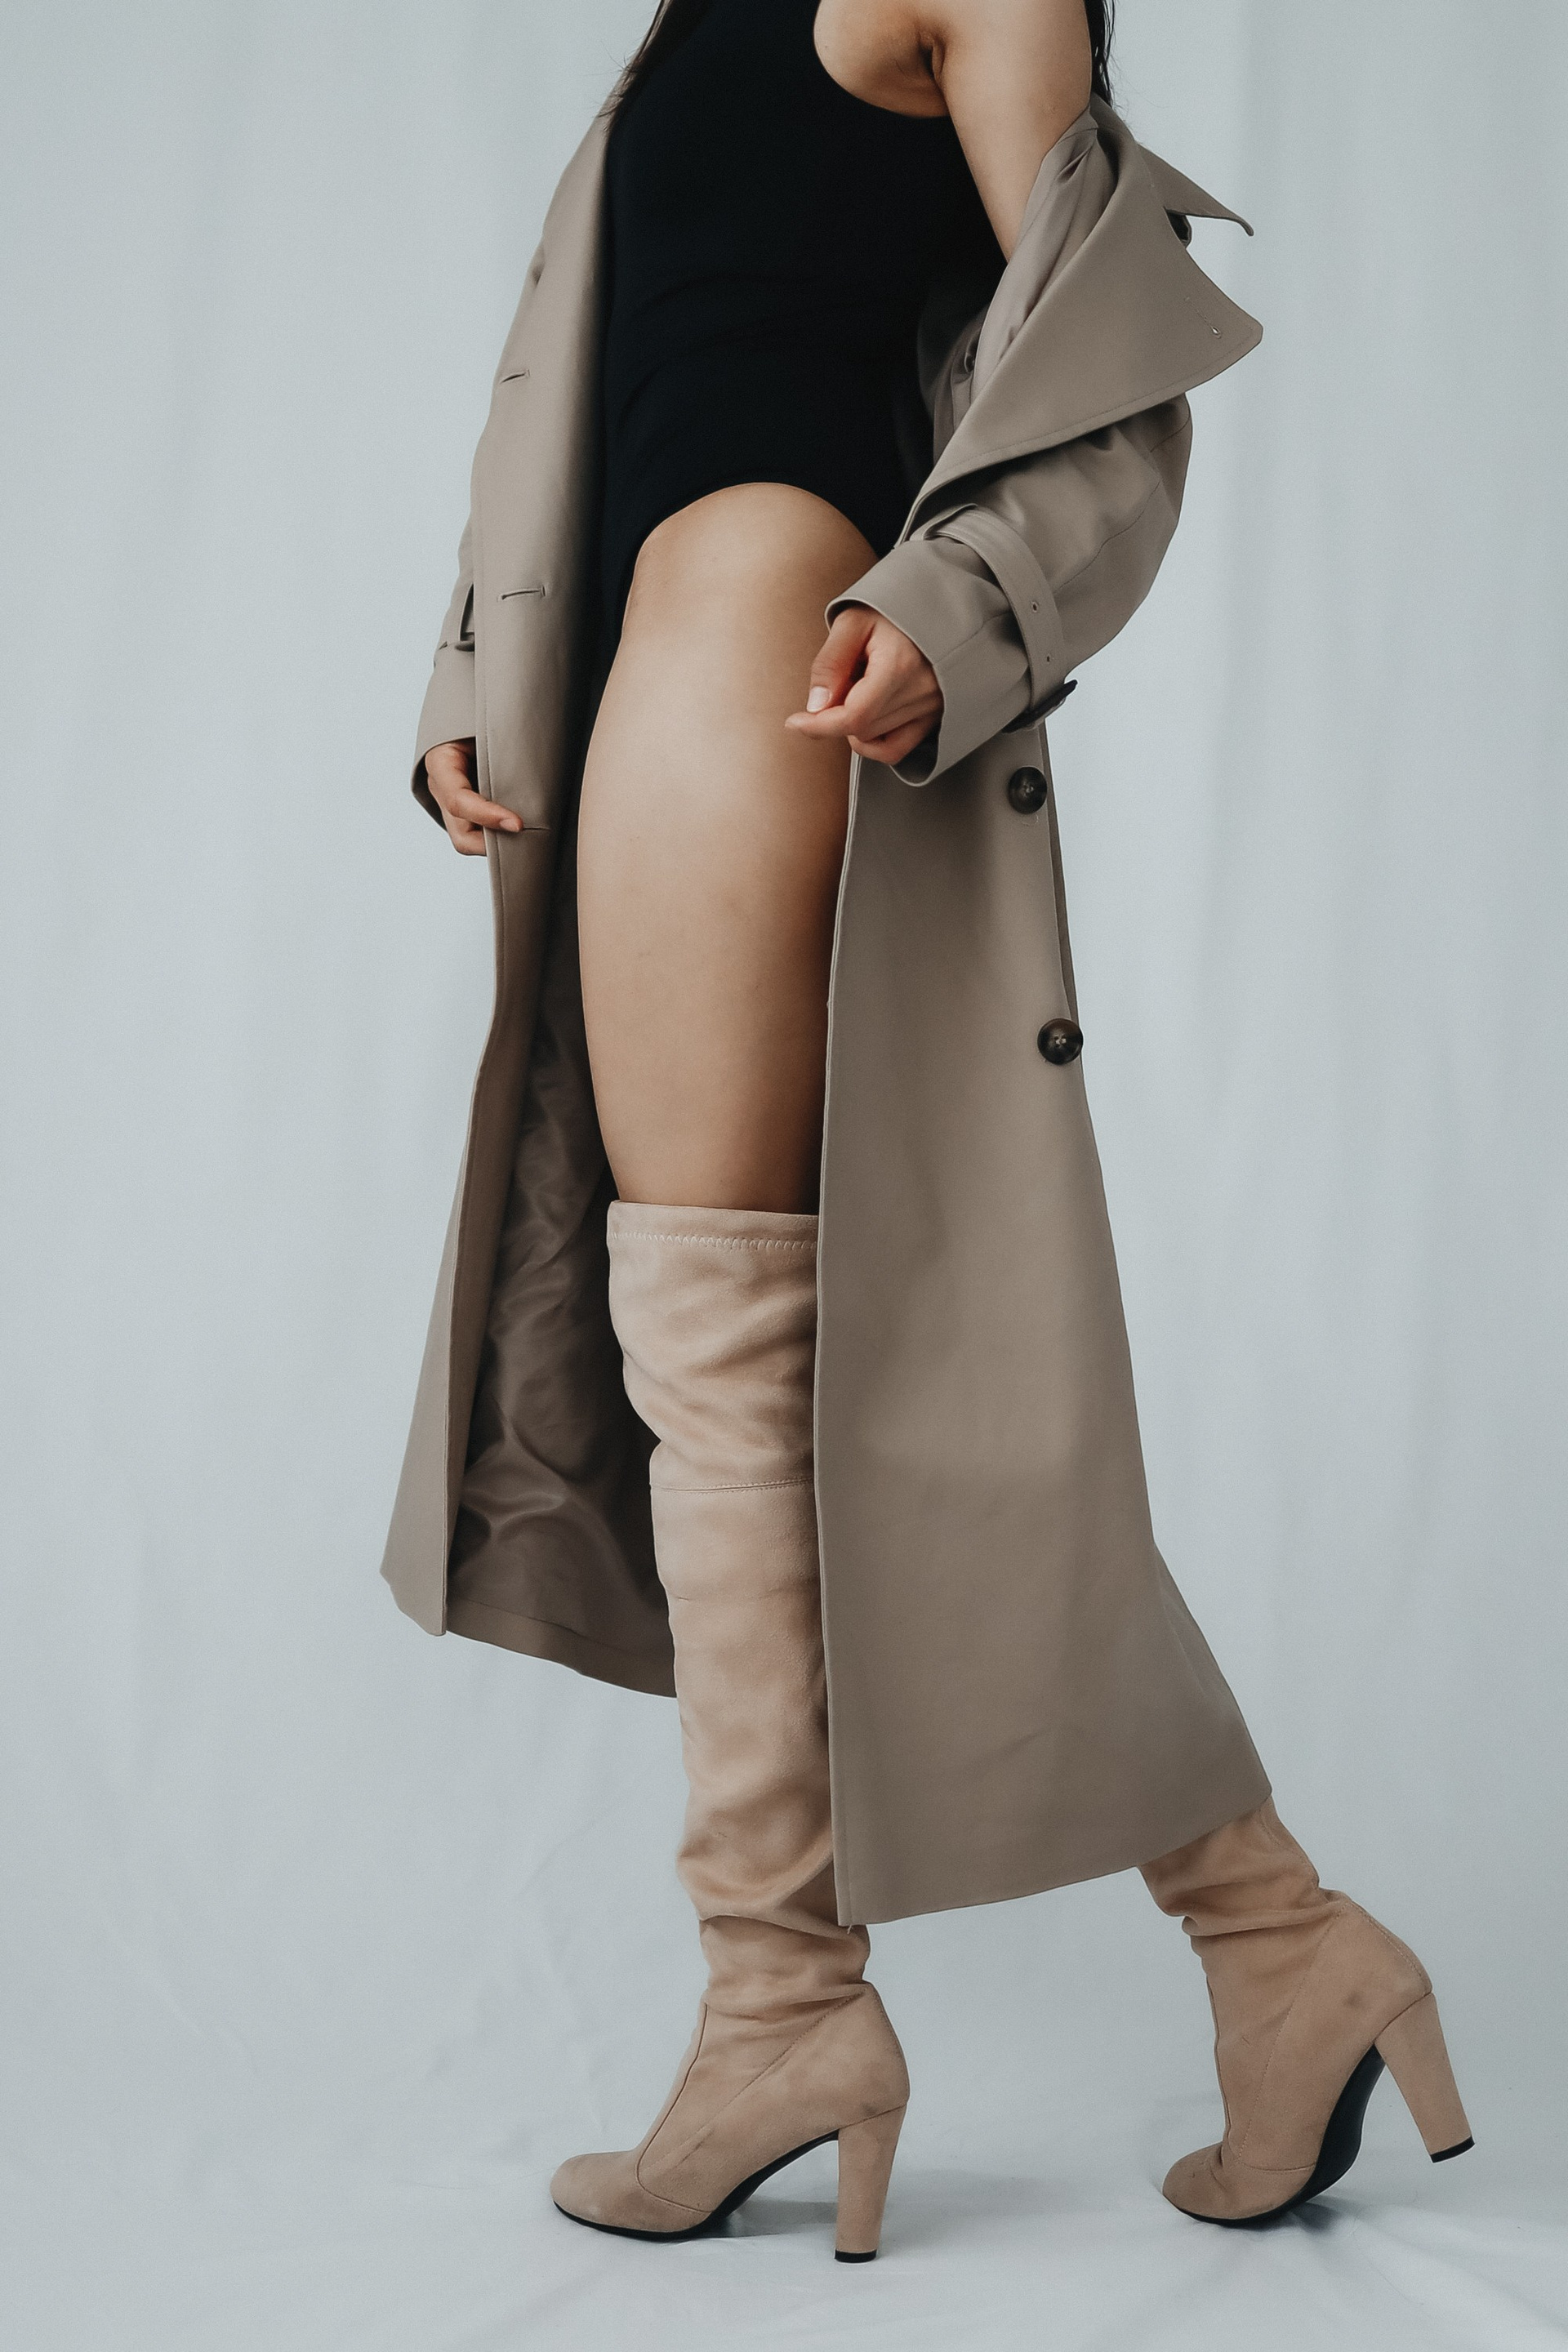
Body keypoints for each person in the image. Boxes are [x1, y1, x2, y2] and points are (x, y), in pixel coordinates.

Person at [386, 0, 1472, 2259]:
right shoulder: (695, 17)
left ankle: (785, 2009)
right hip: (644, 680)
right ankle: (1280, 1954)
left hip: (753, 658)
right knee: (775, 1375)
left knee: (727, 1367)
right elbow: (623, 363)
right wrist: (477, 671)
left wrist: (955, 601)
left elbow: (1111, 363)